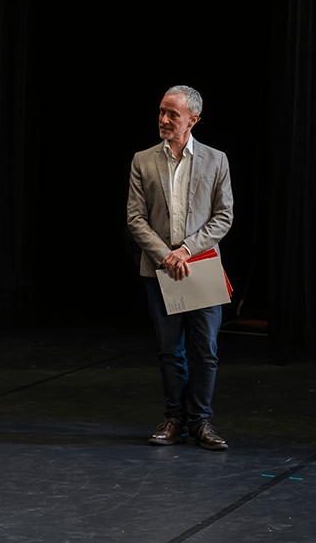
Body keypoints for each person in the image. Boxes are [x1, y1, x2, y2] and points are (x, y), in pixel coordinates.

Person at [126, 85, 234, 451]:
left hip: (200, 268)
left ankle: (200, 421)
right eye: (161, 111)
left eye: (173, 114)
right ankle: (174, 419)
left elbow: (223, 217)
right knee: (170, 351)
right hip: (161, 270)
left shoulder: (216, 160)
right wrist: (166, 255)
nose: (164, 119)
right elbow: (135, 218)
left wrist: (186, 250)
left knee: (205, 350)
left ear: (193, 119)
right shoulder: (142, 160)